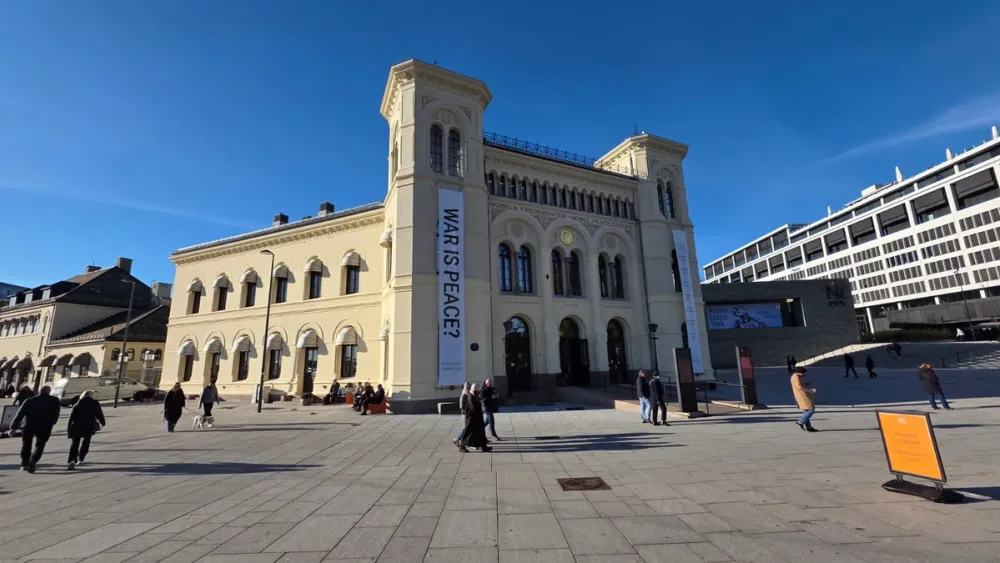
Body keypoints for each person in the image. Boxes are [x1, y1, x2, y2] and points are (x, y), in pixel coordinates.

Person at [8, 385, 61, 472]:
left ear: (39, 391)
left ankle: (24, 464)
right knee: (40, 445)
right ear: (49, 391)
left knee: (26, 445)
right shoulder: (54, 400)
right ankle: (33, 460)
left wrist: (13, 428)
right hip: (45, 426)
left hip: (28, 425)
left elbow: (20, 414)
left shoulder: (29, 400)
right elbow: (56, 413)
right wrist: (52, 422)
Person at [66, 390, 105, 470]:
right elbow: (99, 413)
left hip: (76, 425)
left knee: (74, 444)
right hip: (88, 425)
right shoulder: (94, 403)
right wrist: (102, 422)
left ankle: (72, 460)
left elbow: (71, 417)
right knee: (86, 442)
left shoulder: (78, 403)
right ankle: (81, 457)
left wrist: (69, 429)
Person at [457, 384, 490, 453]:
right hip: (471, 419)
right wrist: (479, 403)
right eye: (477, 391)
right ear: (474, 390)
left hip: (477, 419)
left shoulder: (474, 396)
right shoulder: (470, 397)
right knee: (467, 432)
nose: (478, 393)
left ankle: (484, 446)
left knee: (481, 433)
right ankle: (462, 446)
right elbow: (473, 408)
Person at [790, 367, 818, 432]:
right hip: (802, 396)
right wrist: (810, 390)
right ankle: (800, 421)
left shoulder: (796, 377)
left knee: (806, 411)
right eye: (803, 373)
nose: (803, 374)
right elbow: (799, 387)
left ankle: (809, 427)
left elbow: (801, 385)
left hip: (800, 396)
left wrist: (807, 383)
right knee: (811, 410)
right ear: (799, 372)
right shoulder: (796, 377)